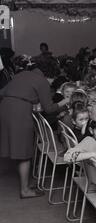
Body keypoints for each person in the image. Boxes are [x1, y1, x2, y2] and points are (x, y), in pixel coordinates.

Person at [0, 59, 70, 198]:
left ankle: (25, 184)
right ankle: (25, 190)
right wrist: (66, 100)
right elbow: (49, 109)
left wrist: (26, 100)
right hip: (19, 113)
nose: (50, 83)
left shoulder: (23, 74)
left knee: (18, 147)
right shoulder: (41, 80)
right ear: (50, 75)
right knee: (24, 152)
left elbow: (3, 92)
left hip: (4, 108)